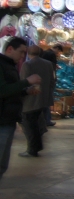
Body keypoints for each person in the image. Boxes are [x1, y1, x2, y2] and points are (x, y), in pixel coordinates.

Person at [0, 37, 41, 180]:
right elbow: (2, 90)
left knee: (3, 163)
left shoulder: (10, 65)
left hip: (9, 119)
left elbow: (11, 91)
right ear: (10, 49)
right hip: (2, 120)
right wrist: (26, 82)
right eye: (21, 52)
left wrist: (26, 91)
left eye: (25, 53)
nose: (23, 56)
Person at [19, 46, 55, 158]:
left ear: (28, 53)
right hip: (43, 98)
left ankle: (32, 149)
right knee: (37, 122)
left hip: (30, 99)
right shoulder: (48, 64)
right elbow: (52, 81)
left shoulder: (27, 65)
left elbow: (23, 82)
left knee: (29, 125)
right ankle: (37, 146)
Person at [42, 44, 61, 127]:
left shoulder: (45, 52)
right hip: (49, 80)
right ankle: (47, 120)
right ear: (56, 48)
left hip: (43, 80)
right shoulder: (52, 55)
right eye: (59, 51)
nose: (58, 53)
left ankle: (44, 119)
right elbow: (52, 68)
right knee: (47, 100)